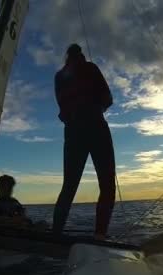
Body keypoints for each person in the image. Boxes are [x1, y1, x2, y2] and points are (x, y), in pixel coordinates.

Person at [52, 43, 116, 240]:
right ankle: (100, 235)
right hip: (96, 127)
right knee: (107, 186)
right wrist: (95, 109)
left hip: (73, 132)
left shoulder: (59, 76)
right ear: (80, 55)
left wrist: (73, 115)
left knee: (69, 185)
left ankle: (55, 234)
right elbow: (108, 98)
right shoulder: (90, 68)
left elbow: (61, 108)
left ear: (67, 56)